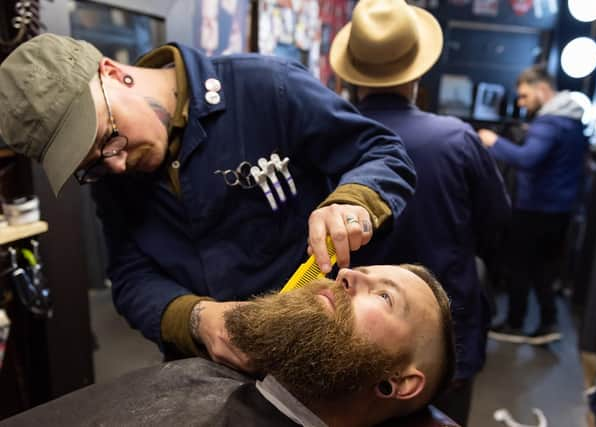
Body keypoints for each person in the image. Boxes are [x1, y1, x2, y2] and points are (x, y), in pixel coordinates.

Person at [0, 34, 416, 368]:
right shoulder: (113, 170)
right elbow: (130, 276)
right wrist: (197, 319)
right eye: (92, 165)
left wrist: (353, 201)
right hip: (206, 370)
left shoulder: (267, 87)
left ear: (112, 73)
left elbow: (382, 153)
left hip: (316, 349)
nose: (119, 165)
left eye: (109, 137)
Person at [329, 1, 510, 425]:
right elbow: (497, 224)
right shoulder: (457, 139)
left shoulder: (327, 140)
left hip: (347, 334)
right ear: (415, 73)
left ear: (351, 75)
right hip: (443, 338)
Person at [2, 264, 457, 427]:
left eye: (383, 295)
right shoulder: (214, 383)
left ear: (398, 382)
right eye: (364, 271)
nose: (347, 274)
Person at [477, 65, 588, 344]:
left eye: (525, 96)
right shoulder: (571, 121)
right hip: (560, 209)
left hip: (535, 208)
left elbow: (527, 159)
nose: (521, 102)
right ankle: (548, 321)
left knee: (519, 265)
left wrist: (494, 141)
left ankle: (515, 323)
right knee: (543, 268)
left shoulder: (549, 123)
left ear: (542, 89)